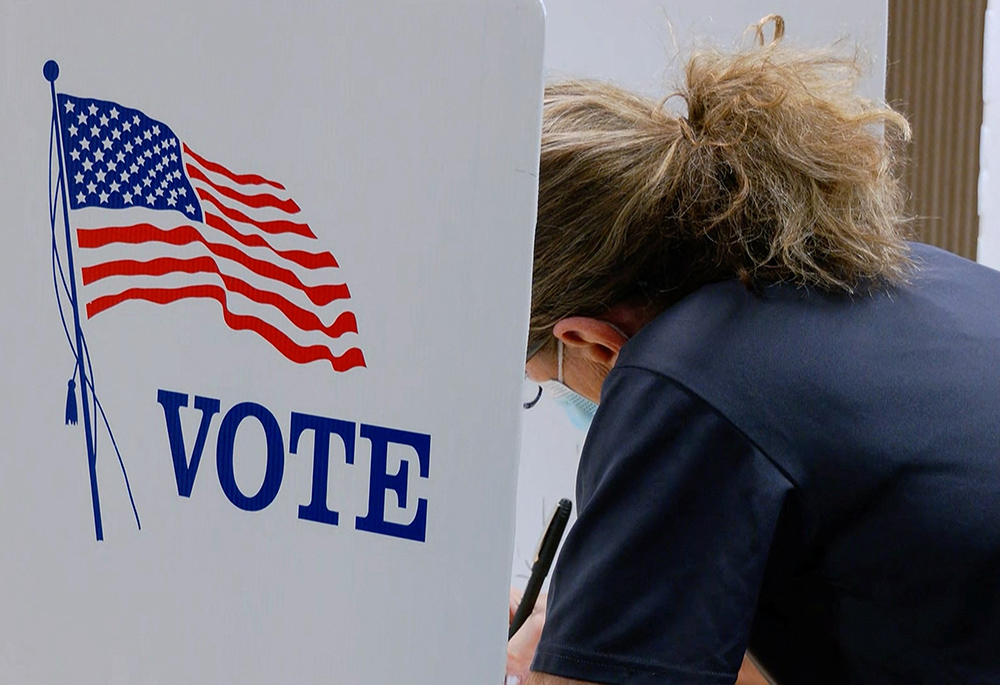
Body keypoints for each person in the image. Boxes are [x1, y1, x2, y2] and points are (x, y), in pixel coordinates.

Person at [509, 16, 1000, 685]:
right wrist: (604, 628)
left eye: (541, 381)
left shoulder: (680, 376)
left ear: (587, 339)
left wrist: (556, 662)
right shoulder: (904, 274)